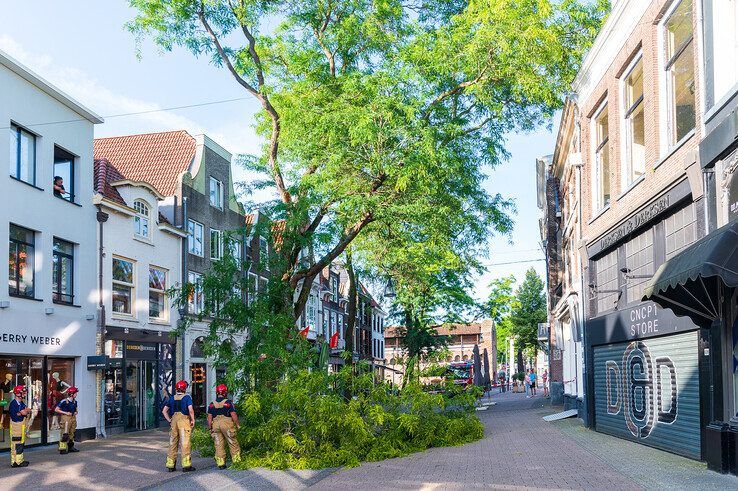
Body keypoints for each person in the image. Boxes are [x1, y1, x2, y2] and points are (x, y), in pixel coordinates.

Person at [163, 380, 196, 472]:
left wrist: (170, 420)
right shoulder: (187, 398)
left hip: (174, 421)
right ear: (185, 388)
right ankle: (186, 466)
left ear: (177, 388)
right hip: (183, 421)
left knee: (173, 442)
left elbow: (164, 411)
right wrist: (193, 420)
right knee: (185, 443)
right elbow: (190, 410)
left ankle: (170, 465)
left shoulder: (172, 398)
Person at [207, 384, 241, 469]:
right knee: (232, 442)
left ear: (217, 393)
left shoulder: (212, 404)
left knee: (218, 444)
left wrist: (210, 428)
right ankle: (236, 461)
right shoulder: (228, 403)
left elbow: (209, 417)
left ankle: (221, 463)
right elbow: (233, 414)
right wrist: (237, 425)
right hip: (227, 424)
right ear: (225, 393)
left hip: (215, 425)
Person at [9, 385, 31, 467]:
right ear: (18, 393)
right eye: (23, 392)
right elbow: (25, 412)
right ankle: (16, 462)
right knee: (16, 444)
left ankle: (19, 460)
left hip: (21, 426)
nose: (24, 394)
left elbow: (26, 411)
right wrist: (25, 411)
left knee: (20, 443)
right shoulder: (13, 404)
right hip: (16, 427)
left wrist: (24, 411)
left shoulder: (21, 403)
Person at [55, 386, 79, 454]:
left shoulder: (75, 402)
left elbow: (76, 410)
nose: (76, 394)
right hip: (66, 418)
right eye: (75, 393)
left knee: (72, 433)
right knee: (65, 434)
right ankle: (62, 449)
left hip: (73, 418)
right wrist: (65, 413)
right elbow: (56, 409)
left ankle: (71, 447)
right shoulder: (64, 401)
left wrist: (76, 412)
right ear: (71, 394)